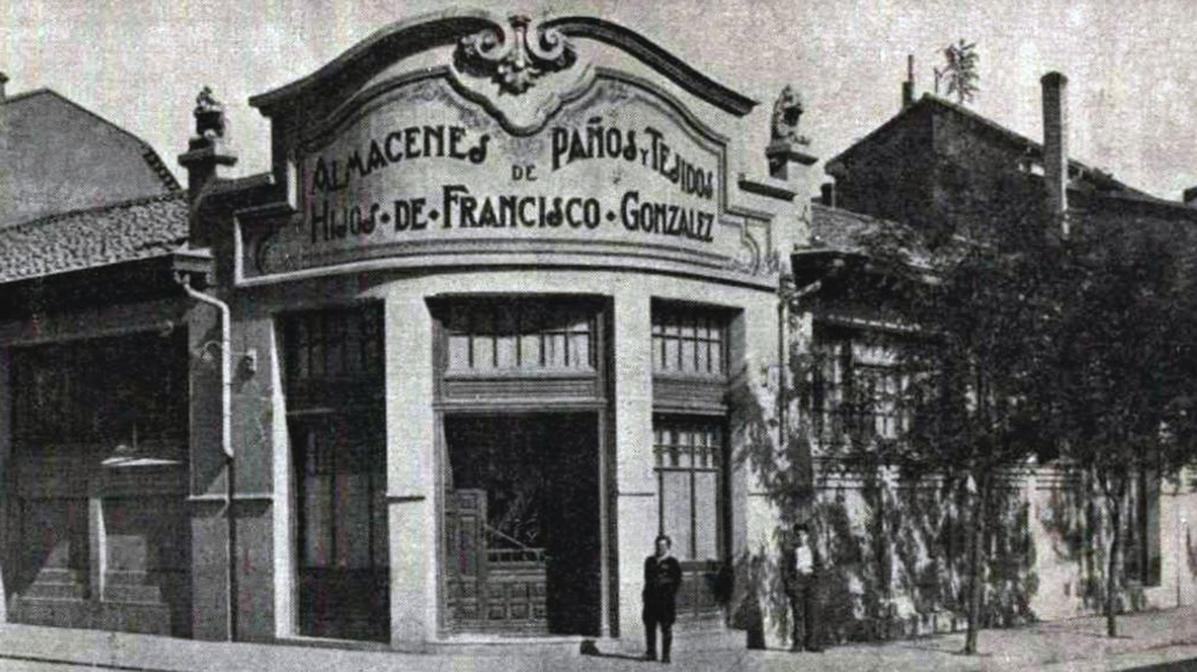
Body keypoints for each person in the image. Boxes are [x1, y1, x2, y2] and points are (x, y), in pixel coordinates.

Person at [643, 534, 682, 664]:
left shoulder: (673, 563)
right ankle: (651, 652)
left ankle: (666, 655)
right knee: (650, 627)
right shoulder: (650, 561)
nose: (660, 548)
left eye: (663, 546)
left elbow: (677, 581)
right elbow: (647, 579)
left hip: (665, 602)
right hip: (651, 601)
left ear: (668, 547)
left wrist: (668, 591)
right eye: (658, 546)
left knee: (666, 628)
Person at [784, 522, 823, 652]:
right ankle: (798, 644)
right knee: (798, 614)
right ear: (795, 537)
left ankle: (812, 644)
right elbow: (786, 569)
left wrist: (815, 576)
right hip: (797, 582)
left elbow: (819, 565)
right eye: (798, 535)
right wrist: (790, 584)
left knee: (812, 613)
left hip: (811, 582)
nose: (801, 537)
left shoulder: (813, 549)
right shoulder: (790, 551)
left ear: (808, 536)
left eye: (803, 535)